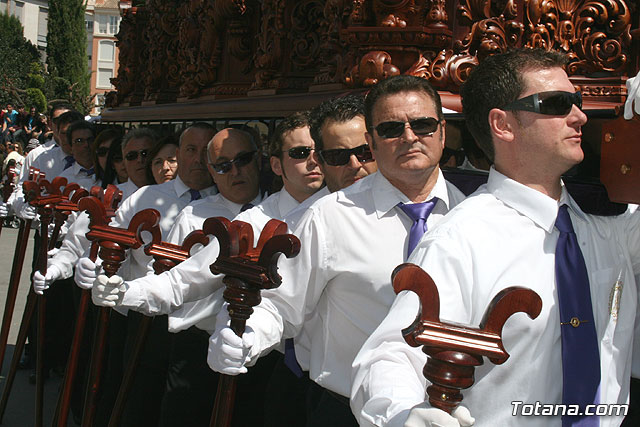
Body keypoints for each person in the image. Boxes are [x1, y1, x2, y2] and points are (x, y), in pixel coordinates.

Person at [350, 48, 640, 427]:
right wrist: (403, 414)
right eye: (556, 103)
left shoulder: (611, 222)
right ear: (502, 124)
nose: (579, 115)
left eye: (577, 101)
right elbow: (391, 354)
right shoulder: (461, 239)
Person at [206, 75, 466, 425]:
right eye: (391, 129)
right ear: (372, 141)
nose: (409, 137)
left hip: (449, 411)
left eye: (422, 124)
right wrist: (243, 337)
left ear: (442, 132)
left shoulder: (474, 218)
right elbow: (281, 305)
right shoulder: (328, 216)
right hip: (344, 411)